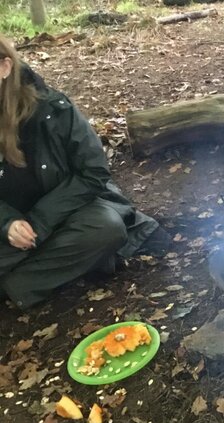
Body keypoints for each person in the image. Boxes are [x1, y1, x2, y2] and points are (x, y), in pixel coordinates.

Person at [0, 35, 167, 309]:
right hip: (10, 230)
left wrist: (39, 222)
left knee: (106, 229)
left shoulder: (52, 108)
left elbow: (93, 172)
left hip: (67, 214)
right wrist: (7, 224)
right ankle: (64, 264)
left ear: (5, 67)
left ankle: (17, 286)